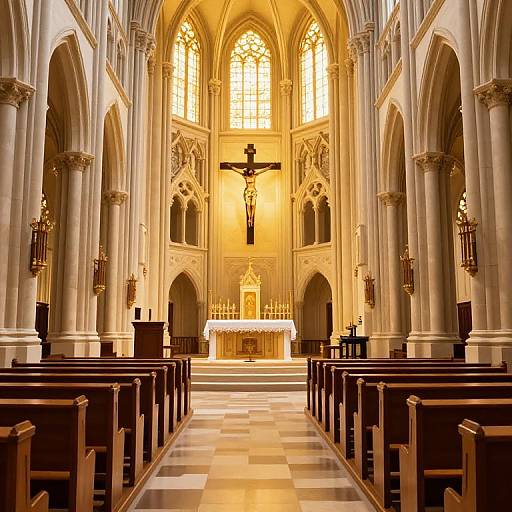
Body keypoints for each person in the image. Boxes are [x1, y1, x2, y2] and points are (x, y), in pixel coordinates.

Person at [225, 163, 277, 227]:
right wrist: (231, 167)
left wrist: (269, 167)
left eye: (252, 171)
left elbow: (262, 170)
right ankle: (249, 218)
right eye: (250, 170)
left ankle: (252, 218)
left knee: (253, 205)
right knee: (248, 205)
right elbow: (237, 170)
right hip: (248, 192)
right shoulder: (245, 177)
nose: (251, 171)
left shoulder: (255, 175)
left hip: (253, 191)